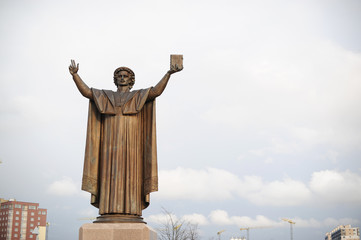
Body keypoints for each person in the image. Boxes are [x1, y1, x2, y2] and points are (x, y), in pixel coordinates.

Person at [69, 59, 182, 222]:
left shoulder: (138, 95)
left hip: (132, 143)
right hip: (109, 142)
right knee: (109, 173)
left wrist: (169, 73)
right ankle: (108, 209)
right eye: (119, 75)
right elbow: (87, 92)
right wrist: (75, 75)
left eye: (125, 76)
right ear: (115, 79)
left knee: (132, 173)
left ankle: (131, 210)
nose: (122, 78)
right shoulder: (105, 96)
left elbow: (156, 92)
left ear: (131, 80)